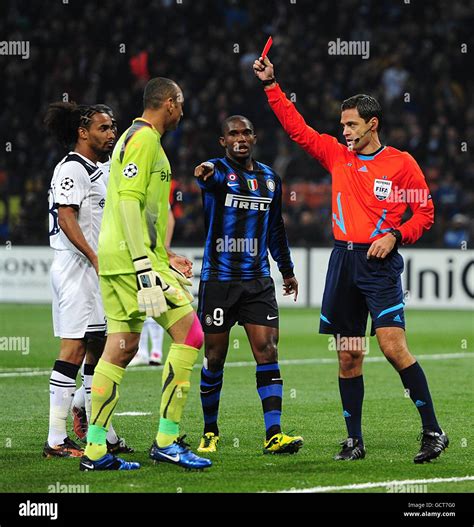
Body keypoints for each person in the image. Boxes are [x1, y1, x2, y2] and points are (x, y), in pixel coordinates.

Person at [253, 56, 448, 463]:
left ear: (372, 124)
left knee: (393, 347)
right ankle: (354, 440)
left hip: (379, 269)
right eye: (342, 125)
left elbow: (424, 213)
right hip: (343, 263)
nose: (344, 132)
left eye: (352, 125)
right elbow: (297, 129)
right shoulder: (336, 154)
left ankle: (433, 431)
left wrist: (395, 235)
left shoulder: (401, 165)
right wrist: (272, 86)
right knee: (349, 354)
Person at [79, 77, 211, 471]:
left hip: (124, 258)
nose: (183, 111)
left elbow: (141, 211)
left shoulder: (133, 140)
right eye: (181, 103)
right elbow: (128, 203)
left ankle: (96, 449)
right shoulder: (144, 141)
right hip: (132, 261)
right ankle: (168, 439)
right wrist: (144, 265)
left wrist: (163, 253)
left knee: (120, 346)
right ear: (169, 103)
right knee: (191, 333)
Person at [193, 115, 303, 455]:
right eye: (232, 134)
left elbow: (276, 229)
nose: (240, 138)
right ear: (223, 141)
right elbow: (205, 174)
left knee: (268, 350)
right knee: (214, 358)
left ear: (254, 137)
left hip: (257, 281)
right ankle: (210, 431)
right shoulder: (217, 173)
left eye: (245, 132)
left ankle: (274, 433)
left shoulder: (270, 180)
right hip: (219, 281)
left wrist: (286, 270)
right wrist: (202, 172)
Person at [44, 102, 129, 457]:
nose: (111, 134)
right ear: (83, 132)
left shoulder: (101, 168)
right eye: (104, 128)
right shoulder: (73, 168)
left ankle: (102, 432)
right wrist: (94, 257)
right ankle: (56, 439)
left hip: (95, 270)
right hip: (76, 268)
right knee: (74, 349)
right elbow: (66, 217)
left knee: (99, 348)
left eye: (112, 128)